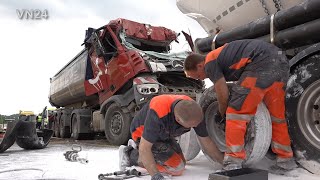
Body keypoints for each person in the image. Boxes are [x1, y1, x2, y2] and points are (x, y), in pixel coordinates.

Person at [184, 39, 297, 171]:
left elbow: (221, 91)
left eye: (198, 76)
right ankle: (285, 160)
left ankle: (233, 160)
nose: (201, 79)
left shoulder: (210, 62)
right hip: (280, 62)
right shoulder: (221, 56)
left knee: (236, 112)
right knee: (276, 116)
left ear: (200, 66)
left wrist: (222, 113)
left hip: (261, 64)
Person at [119, 94, 223, 180]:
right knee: (177, 167)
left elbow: (206, 141)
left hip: (164, 134)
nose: (195, 127)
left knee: (182, 162)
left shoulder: (193, 110)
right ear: (177, 119)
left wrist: (224, 163)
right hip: (141, 134)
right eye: (191, 126)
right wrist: (155, 175)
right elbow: (145, 148)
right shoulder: (157, 113)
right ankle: (129, 154)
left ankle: (143, 156)